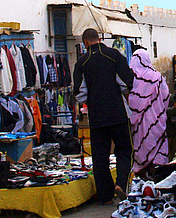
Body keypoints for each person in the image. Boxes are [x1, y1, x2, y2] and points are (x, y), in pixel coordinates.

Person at [73, 27, 135, 203]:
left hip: (97, 116)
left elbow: (79, 94)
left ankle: (105, 196)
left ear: (85, 42)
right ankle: (121, 184)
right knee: (124, 150)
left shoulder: (82, 62)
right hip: (118, 113)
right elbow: (126, 83)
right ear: (99, 38)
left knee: (100, 156)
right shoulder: (114, 55)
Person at [126, 48, 170, 179]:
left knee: (141, 147)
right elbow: (166, 96)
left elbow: (129, 101)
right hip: (156, 120)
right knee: (157, 146)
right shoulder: (156, 76)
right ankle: (156, 176)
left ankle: (142, 179)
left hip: (138, 125)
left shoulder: (130, 79)